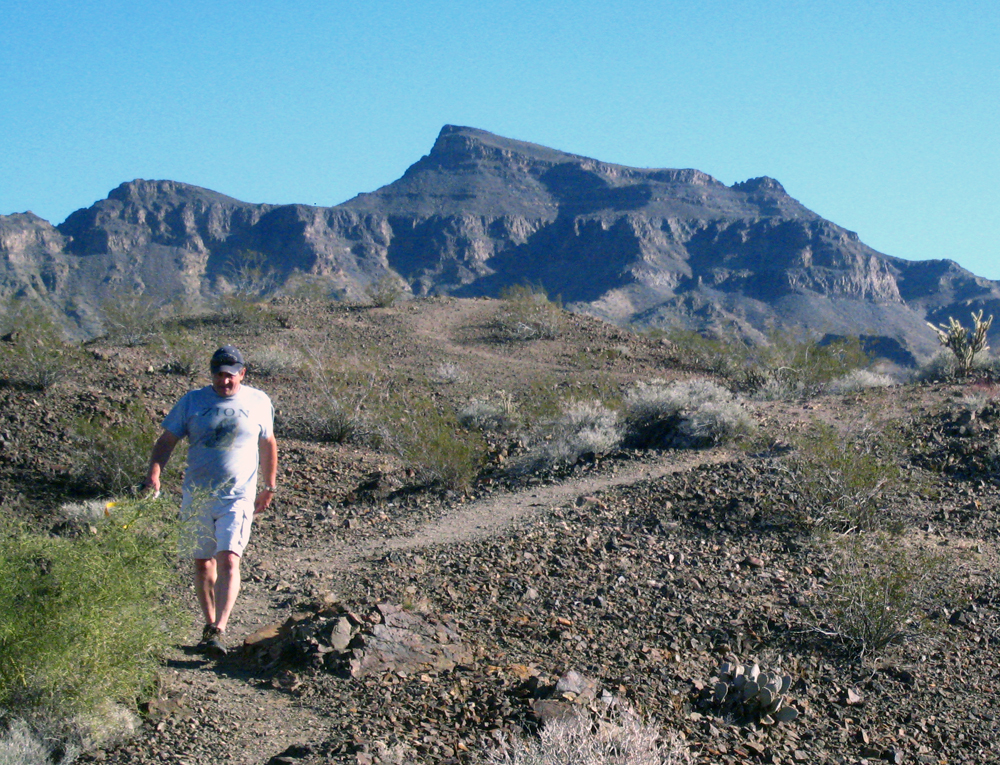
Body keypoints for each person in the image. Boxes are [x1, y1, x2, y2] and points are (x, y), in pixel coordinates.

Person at [143, 345, 278, 658]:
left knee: (229, 558)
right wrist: (154, 474)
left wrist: (269, 486)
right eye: (219, 374)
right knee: (203, 563)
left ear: (242, 373)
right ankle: (209, 626)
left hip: (238, 495)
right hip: (197, 494)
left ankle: (219, 627)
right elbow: (166, 441)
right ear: (212, 373)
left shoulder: (258, 401)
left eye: (230, 375)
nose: (225, 381)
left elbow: (268, 443)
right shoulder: (192, 401)